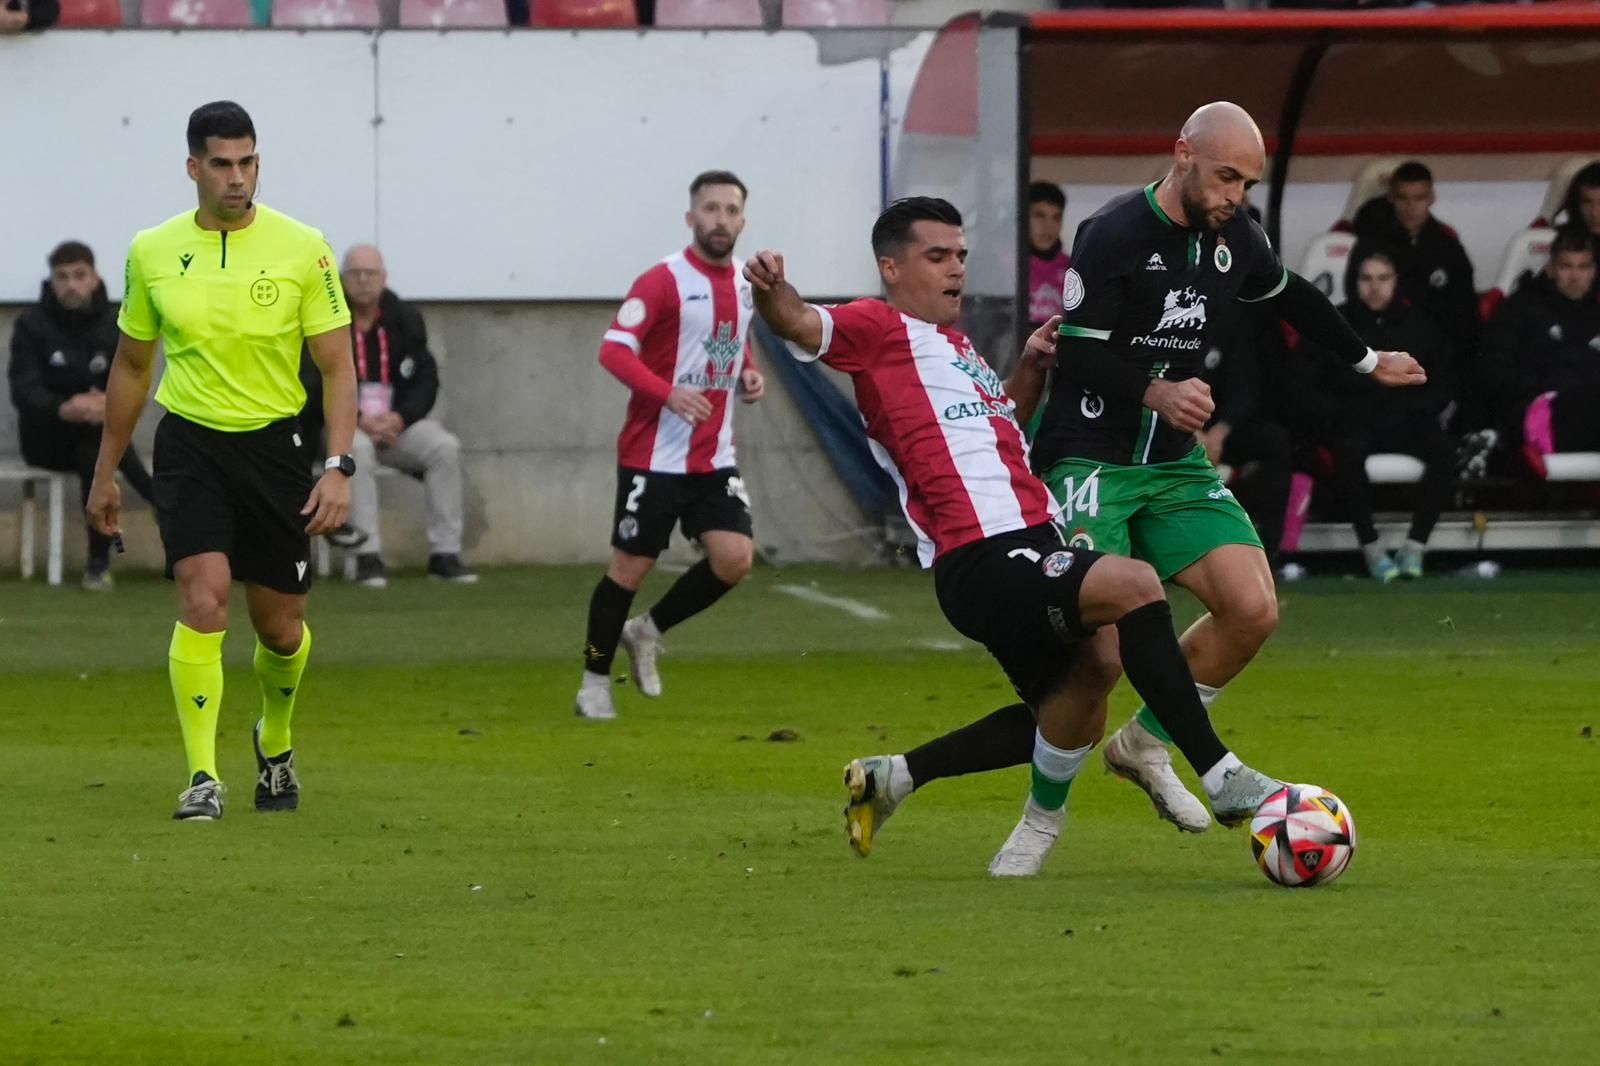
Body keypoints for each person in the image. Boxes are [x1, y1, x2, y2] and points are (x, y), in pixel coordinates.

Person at [838, 103, 1425, 845]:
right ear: (1182, 154)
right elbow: (1077, 352)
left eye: (1246, 182)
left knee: (1253, 608)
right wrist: (1158, 390)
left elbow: (1291, 295)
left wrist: (1369, 360)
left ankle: (1145, 746)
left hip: (1170, 462)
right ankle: (1037, 826)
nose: (1234, 196)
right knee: (1098, 663)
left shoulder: (1233, 236)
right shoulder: (1113, 233)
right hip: (1090, 457)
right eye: (1225, 177)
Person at [747, 196, 1284, 878]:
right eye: (936, 257)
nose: (955, 270)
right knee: (1135, 586)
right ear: (891, 267)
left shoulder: (956, 348)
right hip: (983, 552)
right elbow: (798, 322)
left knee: (1081, 697)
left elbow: (1001, 423)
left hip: (1022, 538)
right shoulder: (876, 327)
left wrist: (1029, 370)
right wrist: (771, 288)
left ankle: (903, 781)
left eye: (961, 256)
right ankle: (1218, 769)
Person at [85, 101, 358, 822]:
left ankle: (276, 739)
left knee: (280, 628)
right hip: (192, 445)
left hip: (276, 448)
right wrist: (106, 470)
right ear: (193, 168)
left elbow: (336, 367)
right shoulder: (152, 250)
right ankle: (202, 775)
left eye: (249, 163)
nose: (238, 179)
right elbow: (134, 365)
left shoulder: (305, 248)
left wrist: (337, 465)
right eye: (223, 164)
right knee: (202, 598)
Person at [575, 171, 766, 721]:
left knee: (734, 559)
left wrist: (750, 375)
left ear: (743, 221)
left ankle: (648, 632)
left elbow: (731, 345)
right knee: (628, 571)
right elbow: (614, 351)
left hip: (713, 456)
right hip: (652, 457)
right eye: (710, 209)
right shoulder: (662, 280)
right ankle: (593, 679)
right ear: (691, 217)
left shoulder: (748, 287)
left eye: (731, 210)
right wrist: (669, 394)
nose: (720, 220)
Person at [1301, 243, 1457, 581]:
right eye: (1366, 278)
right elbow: (1306, 384)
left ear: (1396, 280)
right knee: (1348, 448)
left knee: (1446, 451)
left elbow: (1443, 384)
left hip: (1408, 421)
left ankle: (1416, 546)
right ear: (1353, 280)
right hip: (1354, 421)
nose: (1375, 286)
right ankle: (1371, 548)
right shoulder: (1332, 323)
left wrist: (1413, 410)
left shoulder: (1421, 326)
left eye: (1383, 278)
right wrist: (1340, 413)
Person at [325, 244, 475, 587]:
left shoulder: (405, 318)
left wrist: (400, 418)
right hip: (342, 426)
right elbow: (312, 379)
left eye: (371, 273)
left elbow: (426, 377)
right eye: (355, 273)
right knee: (357, 450)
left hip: (393, 424)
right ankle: (367, 555)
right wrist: (357, 416)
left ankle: (445, 554)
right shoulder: (326, 315)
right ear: (341, 277)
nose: (363, 281)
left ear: (384, 277)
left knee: (443, 447)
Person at [8, 241, 155, 589]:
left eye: (79, 275)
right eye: (62, 277)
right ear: (52, 281)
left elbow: (135, 380)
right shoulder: (31, 326)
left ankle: (98, 564)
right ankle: (158, 503)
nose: (71, 284)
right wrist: (65, 408)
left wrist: (104, 404)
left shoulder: (117, 322)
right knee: (99, 444)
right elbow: (23, 391)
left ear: (95, 278)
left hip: (100, 436)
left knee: (96, 447)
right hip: (45, 441)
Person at [1482, 227, 1600, 458]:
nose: (1575, 277)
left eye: (1584, 267)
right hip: (1536, 413)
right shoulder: (1519, 310)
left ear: (1594, 271)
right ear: (1551, 269)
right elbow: (1493, 373)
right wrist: (1551, 384)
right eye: (1566, 266)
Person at [1352, 160, 1479, 367]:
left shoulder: (1449, 249)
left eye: (1418, 198)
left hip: (1434, 354)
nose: (1410, 207)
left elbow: (1464, 314)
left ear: (1431, 198)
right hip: (1380, 350)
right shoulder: (1370, 247)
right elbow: (1357, 303)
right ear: (1392, 198)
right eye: (1403, 198)